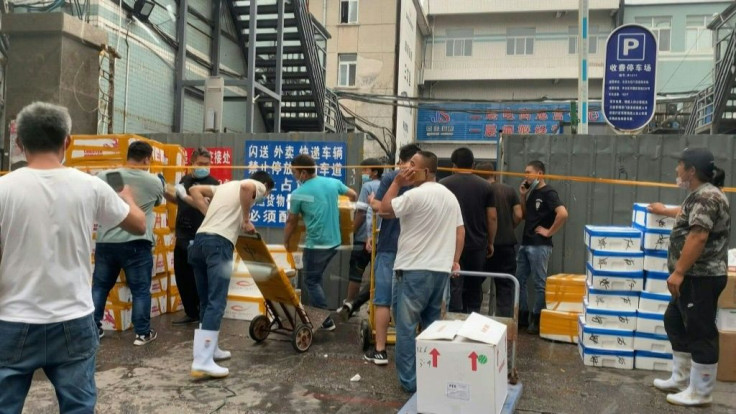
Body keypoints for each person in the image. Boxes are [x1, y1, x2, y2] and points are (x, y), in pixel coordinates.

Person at [0, 102, 145, 412]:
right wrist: (128, 199)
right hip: (73, 320)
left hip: (11, 320)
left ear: (19, 143)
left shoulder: (3, 189)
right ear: (67, 141)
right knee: (78, 407)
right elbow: (138, 224)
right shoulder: (91, 187)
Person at [649, 148, 729, 407]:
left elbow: (699, 236)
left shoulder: (707, 196)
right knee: (674, 320)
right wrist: (664, 210)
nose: (676, 171)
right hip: (693, 277)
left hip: (701, 276)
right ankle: (682, 378)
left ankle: (701, 391)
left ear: (691, 170)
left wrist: (679, 271)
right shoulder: (699, 195)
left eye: (680, 165)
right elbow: (687, 214)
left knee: (700, 331)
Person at [379, 150, 464, 393]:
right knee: (434, 328)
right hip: (440, 272)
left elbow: (384, 210)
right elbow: (460, 231)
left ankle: (410, 382)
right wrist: (454, 260)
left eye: (412, 164)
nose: (406, 167)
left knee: (406, 328)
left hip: (413, 270)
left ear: (426, 171)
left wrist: (396, 182)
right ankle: (433, 378)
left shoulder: (415, 195)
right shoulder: (450, 197)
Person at [186, 171, 274, 378]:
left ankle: (208, 350)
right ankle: (202, 362)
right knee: (217, 302)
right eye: (266, 194)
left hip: (199, 242)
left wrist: (207, 212)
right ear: (265, 186)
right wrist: (245, 219)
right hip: (219, 244)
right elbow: (247, 189)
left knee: (207, 301)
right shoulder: (255, 184)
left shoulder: (224, 187)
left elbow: (193, 190)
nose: (263, 198)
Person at [92, 141, 165, 345]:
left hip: (106, 241)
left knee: (100, 287)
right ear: (147, 159)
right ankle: (142, 333)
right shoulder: (153, 181)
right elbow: (158, 201)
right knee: (140, 289)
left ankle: (92, 329)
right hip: (136, 242)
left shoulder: (105, 176)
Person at [284, 154, 358, 331]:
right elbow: (353, 195)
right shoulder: (332, 183)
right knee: (315, 279)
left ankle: (325, 320)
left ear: (303, 173)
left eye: (294, 172)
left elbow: (291, 221)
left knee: (311, 281)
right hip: (334, 242)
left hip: (316, 244)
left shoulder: (298, 193)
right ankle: (320, 314)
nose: (293, 175)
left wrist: (286, 241)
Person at [363, 143, 421, 366]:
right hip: (410, 249)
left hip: (395, 247)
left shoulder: (394, 178)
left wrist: (375, 203)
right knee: (402, 300)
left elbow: (381, 207)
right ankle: (401, 351)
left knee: (386, 299)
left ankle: (381, 350)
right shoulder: (420, 179)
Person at [164, 147, 220, 325]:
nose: (204, 167)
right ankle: (190, 312)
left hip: (201, 235)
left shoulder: (213, 183)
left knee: (199, 277)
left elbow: (206, 207)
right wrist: (165, 190)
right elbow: (178, 200)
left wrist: (185, 195)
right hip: (182, 234)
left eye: (207, 164)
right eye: (200, 164)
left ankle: (202, 312)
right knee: (182, 276)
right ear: (191, 163)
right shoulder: (185, 180)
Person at [440, 148, 497, 314]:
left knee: (455, 284)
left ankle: (455, 318)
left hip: (450, 244)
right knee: (474, 284)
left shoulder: (444, 185)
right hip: (477, 245)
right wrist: (490, 241)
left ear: (453, 165)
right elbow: (492, 217)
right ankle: (473, 318)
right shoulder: (486, 186)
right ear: (473, 164)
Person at [517, 160, 568, 334]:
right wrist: (523, 196)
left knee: (539, 283)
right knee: (519, 280)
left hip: (540, 245)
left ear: (540, 174)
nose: (526, 175)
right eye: (525, 172)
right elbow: (524, 215)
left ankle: (536, 318)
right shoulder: (531, 192)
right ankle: (522, 316)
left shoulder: (548, 192)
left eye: (529, 172)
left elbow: (562, 213)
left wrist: (548, 232)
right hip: (526, 242)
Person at [338, 158, 383, 319]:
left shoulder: (368, 186)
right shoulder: (388, 186)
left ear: (375, 172)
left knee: (356, 272)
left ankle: (350, 305)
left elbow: (361, 213)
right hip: (382, 238)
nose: (363, 173)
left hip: (364, 238)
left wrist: (350, 232)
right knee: (378, 275)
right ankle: (376, 306)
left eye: (365, 170)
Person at [476, 162, 522, 317]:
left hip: (482, 245)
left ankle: (473, 320)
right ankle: (504, 323)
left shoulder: (478, 190)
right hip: (506, 245)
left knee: (475, 284)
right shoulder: (508, 190)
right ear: (494, 174)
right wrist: (510, 226)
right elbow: (518, 214)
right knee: (505, 287)